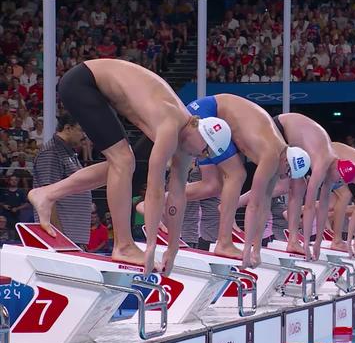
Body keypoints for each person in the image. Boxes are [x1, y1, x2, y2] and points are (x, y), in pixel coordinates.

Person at [27, 59, 233, 275]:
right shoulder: (171, 124)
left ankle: (47, 193)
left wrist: (172, 249)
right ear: (195, 124)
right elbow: (154, 190)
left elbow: (177, 196)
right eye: (205, 148)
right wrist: (151, 246)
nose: (202, 155)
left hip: (96, 88)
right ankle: (123, 245)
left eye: (208, 154)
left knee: (122, 163)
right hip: (83, 82)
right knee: (123, 161)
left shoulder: (186, 143)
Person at [182, 95, 311, 268]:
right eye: (288, 173)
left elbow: (264, 206)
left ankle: (161, 202)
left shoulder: (279, 157)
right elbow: (253, 207)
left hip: (213, 114)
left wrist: (256, 250)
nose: (284, 178)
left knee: (211, 186)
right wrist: (248, 250)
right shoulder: (271, 156)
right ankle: (224, 243)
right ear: (286, 161)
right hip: (208, 113)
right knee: (237, 174)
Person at [235, 113, 355, 260]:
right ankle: (233, 205)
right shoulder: (322, 164)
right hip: (279, 128)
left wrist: (318, 242)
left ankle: (293, 240)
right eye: (339, 180)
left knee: (297, 187)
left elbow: (323, 205)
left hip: (294, 138)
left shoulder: (332, 166)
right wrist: (307, 244)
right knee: (284, 186)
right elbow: (310, 206)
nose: (336, 183)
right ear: (338, 170)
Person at [32, 114, 91, 246]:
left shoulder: (69, 153)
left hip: (72, 236)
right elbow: (46, 198)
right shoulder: (51, 153)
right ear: (68, 128)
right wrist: (59, 238)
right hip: (61, 238)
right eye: (81, 130)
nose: (84, 135)